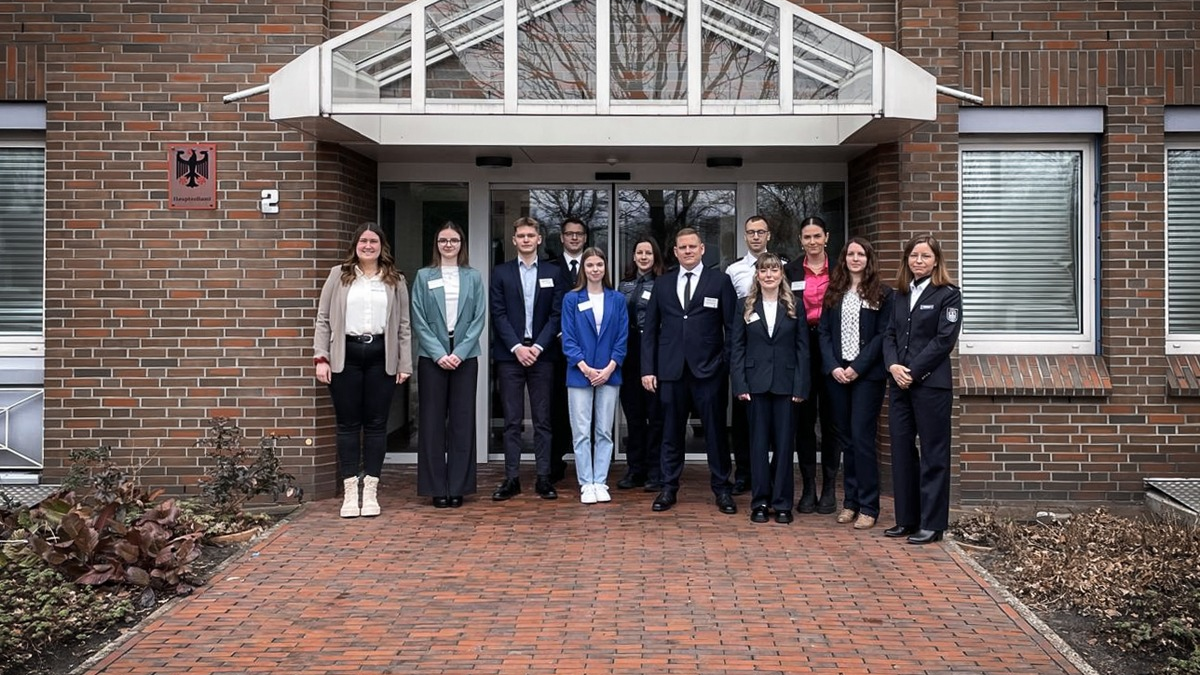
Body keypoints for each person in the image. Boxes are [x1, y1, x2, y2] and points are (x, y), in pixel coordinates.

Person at [313, 222, 413, 519]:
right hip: (346, 355)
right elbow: (323, 319)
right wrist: (321, 358)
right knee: (347, 425)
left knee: (376, 425)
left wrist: (404, 363)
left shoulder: (395, 280)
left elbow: (404, 325)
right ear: (355, 245)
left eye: (374, 241)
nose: (368, 246)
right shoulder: (338, 275)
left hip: (382, 356)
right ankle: (349, 492)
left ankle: (370, 491)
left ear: (382, 246)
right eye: (363, 241)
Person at [641, 227, 737, 514]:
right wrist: (648, 369)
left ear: (702, 249)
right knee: (671, 432)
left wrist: (724, 364)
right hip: (671, 372)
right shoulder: (663, 284)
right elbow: (650, 332)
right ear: (675, 252)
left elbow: (731, 328)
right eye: (682, 248)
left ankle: (722, 489)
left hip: (709, 372)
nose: (687, 251)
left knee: (716, 433)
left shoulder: (719, 281)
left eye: (692, 247)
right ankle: (668, 487)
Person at [882, 233, 962, 545]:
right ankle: (907, 519)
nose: (919, 261)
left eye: (925, 256)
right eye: (914, 256)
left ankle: (932, 523)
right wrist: (893, 367)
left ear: (936, 260)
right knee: (902, 451)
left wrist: (912, 372)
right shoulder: (899, 294)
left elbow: (944, 340)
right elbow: (889, 335)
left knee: (933, 454)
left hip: (931, 385)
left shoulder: (948, 294)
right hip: (899, 384)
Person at [818, 238, 894, 530]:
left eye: (860, 254)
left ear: (868, 259)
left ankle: (869, 505)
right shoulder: (834, 291)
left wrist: (857, 368)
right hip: (837, 376)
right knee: (846, 440)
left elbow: (882, 337)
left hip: (866, 377)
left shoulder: (882, 294)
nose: (855, 258)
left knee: (863, 439)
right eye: (850, 253)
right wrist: (834, 367)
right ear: (843, 258)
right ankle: (850, 502)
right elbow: (823, 333)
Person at [410, 222, 487, 509]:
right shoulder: (423, 276)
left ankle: (459, 486)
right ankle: (434, 487)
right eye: (443, 240)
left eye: (454, 240)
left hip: (465, 357)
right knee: (431, 423)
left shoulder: (473, 277)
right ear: (437, 244)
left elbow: (479, 318)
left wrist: (461, 351)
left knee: (462, 422)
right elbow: (417, 316)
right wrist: (439, 352)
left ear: (461, 244)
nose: (448, 245)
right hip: (433, 357)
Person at [730, 253, 809, 524]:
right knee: (758, 446)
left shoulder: (795, 306)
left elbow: (803, 350)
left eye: (774, 270)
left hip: (787, 386)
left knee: (786, 446)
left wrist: (801, 386)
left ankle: (783, 503)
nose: (769, 275)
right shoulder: (744, 306)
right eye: (764, 271)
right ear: (757, 275)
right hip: (756, 386)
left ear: (781, 275)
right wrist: (740, 384)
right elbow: (737, 348)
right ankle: (760, 502)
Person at [489, 217, 564, 501]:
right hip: (510, 357)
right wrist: (517, 347)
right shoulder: (501, 272)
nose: (526, 240)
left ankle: (543, 477)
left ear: (539, 239)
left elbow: (557, 315)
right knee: (512, 421)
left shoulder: (553, 272)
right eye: (521, 235)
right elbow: (498, 314)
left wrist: (539, 347)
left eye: (530, 235)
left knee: (543, 420)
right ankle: (512, 478)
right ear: (514, 240)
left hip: (543, 356)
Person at [561, 247, 629, 504]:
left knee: (603, 430)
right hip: (580, 373)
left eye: (599, 264)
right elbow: (568, 338)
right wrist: (586, 368)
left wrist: (610, 367)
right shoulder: (572, 299)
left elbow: (622, 337)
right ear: (583, 269)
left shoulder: (617, 299)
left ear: (605, 268)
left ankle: (600, 480)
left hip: (609, 373)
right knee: (581, 431)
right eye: (590, 265)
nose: (595, 269)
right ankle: (585, 482)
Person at [783, 216, 838, 514]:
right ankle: (807, 488)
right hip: (800, 348)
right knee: (803, 422)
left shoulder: (840, 270)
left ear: (826, 237)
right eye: (807, 237)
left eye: (817, 236)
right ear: (800, 240)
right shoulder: (789, 270)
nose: (813, 242)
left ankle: (829, 488)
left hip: (832, 350)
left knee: (831, 421)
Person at [723, 215, 777, 495]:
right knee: (744, 420)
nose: (756, 237)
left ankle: (773, 475)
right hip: (746, 353)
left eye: (761, 232)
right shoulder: (733, 271)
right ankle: (744, 473)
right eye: (750, 232)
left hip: (776, 355)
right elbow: (731, 320)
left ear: (768, 235)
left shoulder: (780, 267)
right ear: (744, 236)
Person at [616, 237, 665, 491]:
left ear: (655, 256)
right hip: (628, 354)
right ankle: (635, 468)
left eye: (648, 252)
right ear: (633, 257)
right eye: (639, 252)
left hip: (654, 353)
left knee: (655, 417)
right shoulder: (623, 286)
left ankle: (655, 471)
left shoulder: (663, 284)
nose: (644, 257)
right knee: (633, 416)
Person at [549, 217, 589, 485]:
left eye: (579, 234)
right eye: (569, 234)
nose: (574, 238)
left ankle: (591, 464)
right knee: (555, 407)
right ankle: (554, 462)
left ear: (585, 238)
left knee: (588, 409)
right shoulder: (550, 268)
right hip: (554, 350)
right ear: (561, 238)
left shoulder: (596, 266)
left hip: (590, 352)